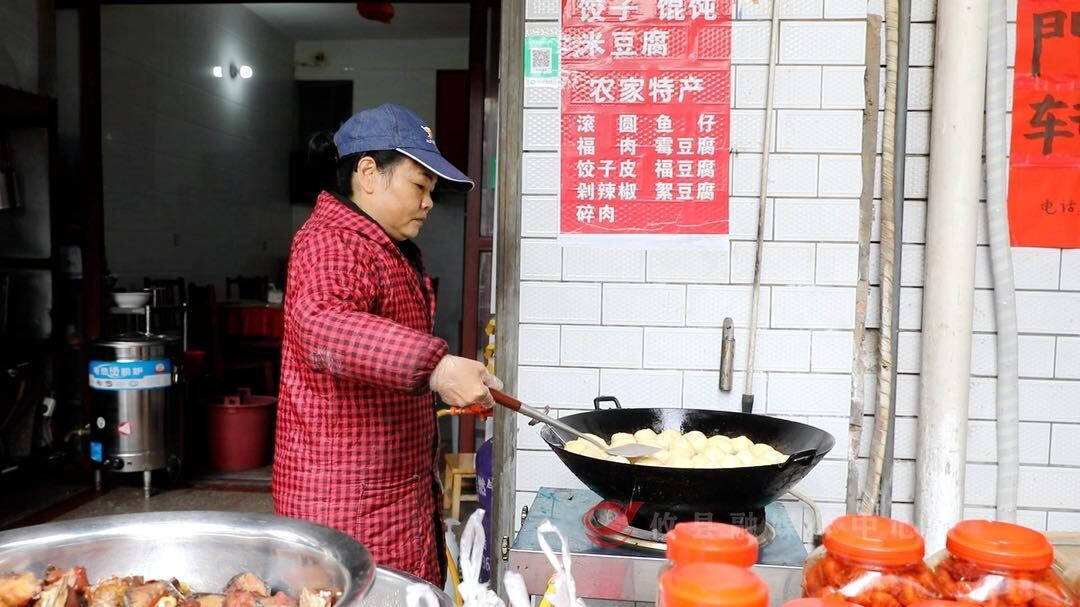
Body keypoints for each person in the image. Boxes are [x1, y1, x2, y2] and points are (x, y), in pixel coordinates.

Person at [272, 103, 502, 585]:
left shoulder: (384, 247)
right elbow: (323, 325)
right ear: (368, 173)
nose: (428, 203)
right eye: (419, 186)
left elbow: (377, 362)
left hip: (393, 492)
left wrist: (439, 389)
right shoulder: (333, 241)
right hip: (345, 502)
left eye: (432, 191)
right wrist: (437, 369)